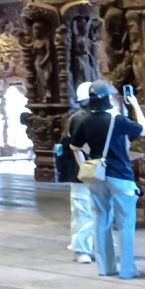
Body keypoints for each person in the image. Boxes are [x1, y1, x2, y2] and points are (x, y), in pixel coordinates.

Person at [65, 79, 145, 279]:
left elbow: (75, 147)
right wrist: (135, 104)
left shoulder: (83, 120)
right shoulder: (116, 119)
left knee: (101, 222)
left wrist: (84, 168)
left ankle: (106, 268)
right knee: (126, 224)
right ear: (107, 98)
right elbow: (143, 130)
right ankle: (127, 270)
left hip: (97, 177)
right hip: (121, 177)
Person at [56, 80, 94, 263]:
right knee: (83, 210)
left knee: (86, 210)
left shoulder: (81, 117)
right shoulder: (81, 119)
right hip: (83, 173)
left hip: (86, 171)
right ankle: (81, 249)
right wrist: (86, 171)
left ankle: (85, 246)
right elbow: (79, 148)